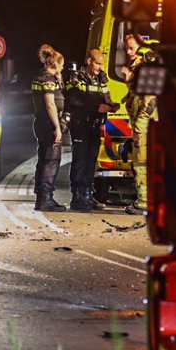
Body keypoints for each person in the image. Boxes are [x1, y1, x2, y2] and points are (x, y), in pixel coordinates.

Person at [65, 49, 115, 212]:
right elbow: (73, 100)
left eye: (102, 64)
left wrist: (111, 106)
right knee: (80, 161)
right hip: (80, 124)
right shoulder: (76, 77)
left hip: (95, 124)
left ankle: (87, 194)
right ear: (88, 61)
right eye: (97, 63)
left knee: (91, 161)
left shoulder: (102, 77)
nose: (100, 67)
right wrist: (96, 107)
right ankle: (77, 197)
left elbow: (106, 97)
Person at [120, 33, 158, 215]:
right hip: (144, 125)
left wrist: (138, 129)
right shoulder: (139, 70)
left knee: (141, 163)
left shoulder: (147, 69)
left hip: (145, 127)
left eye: (131, 48)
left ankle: (144, 202)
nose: (128, 52)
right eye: (126, 48)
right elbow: (136, 98)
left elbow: (149, 103)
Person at [31, 44, 67, 212]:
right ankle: (46, 198)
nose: (63, 67)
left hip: (40, 121)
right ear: (55, 63)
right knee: (52, 160)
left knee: (43, 159)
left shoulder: (39, 76)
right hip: (49, 123)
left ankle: (40, 195)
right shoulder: (48, 79)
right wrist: (58, 128)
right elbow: (50, 104)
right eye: (62, 64)